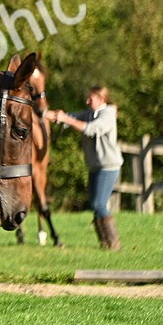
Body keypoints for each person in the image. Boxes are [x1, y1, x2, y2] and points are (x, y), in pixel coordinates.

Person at [48, 86, 122, 250]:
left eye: (91, 98)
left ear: (102, 99)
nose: (87, 101)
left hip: (108, 166)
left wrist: (67, 120)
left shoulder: (108, 114)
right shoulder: (89, 113)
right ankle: (105, 243)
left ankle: (114, 243)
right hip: (95, 166)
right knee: (95, 205)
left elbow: (91, 129)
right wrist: (45, 113)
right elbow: (67, 117)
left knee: (99, 204)